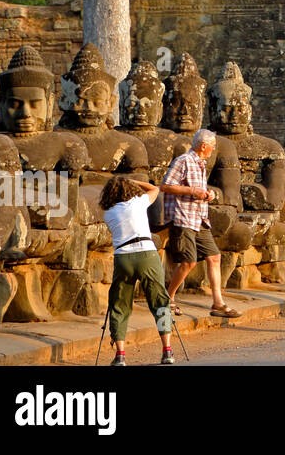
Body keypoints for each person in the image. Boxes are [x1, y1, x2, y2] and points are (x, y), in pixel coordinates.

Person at [162, 129, 241, 318]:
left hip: (200, 218)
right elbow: (165, 185)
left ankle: (218, 303)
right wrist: (192, 192)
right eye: (212, 147)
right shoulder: (183, 161)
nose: (213, 150)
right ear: (204, 146)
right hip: (183, 217)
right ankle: (167, 297)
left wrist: (207, 194)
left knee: (214, 257)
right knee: (188, 261)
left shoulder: (201, 164)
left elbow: (198, 189)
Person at [100, 176, 175, 366]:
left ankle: (120, 355)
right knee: (160, 301)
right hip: (147, 254)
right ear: (129, 189)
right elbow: (155, 189)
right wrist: (134, 181)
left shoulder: (108, 213)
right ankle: (167, 350)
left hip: (123, 257)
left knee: (119, 305)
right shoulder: (138, 202)